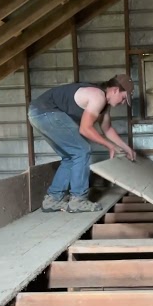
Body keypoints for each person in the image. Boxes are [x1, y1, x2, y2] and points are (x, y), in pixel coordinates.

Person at [29, 74, 137, 213]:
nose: (123, 102)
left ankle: (53, 199)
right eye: (123, 98)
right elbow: (85, 129)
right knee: (82, 150)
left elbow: (107, 129)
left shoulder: (104, 105)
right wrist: (109, 145)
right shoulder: (97, 96)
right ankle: (78, 200)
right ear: (115, 90)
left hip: (37, 113)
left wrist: (126, 148)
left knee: (70, 157)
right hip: (47, 112)